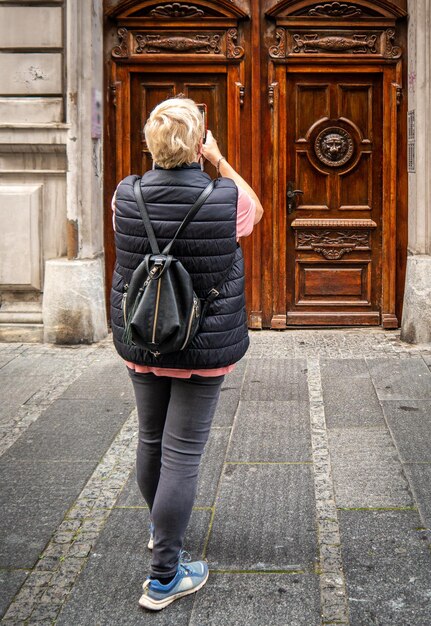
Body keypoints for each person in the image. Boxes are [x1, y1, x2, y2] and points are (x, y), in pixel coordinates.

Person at [110, 97, 263, 611]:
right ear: (199, 143)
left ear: (150, 144)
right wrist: (218, 160)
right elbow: (255, 210)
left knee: (151, 440)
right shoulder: (225, 199)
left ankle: (161, 534)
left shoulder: (124, 195)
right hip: (202, 343)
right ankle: (163, 577)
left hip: (144, 336)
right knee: (182, 455)